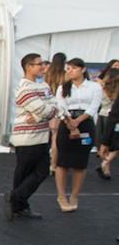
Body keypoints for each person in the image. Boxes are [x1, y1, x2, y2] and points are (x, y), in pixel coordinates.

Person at [6, 54, 57, 219]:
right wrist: (44, 112)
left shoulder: (44, 86)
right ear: (28, 67)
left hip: (41, 135)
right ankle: (18, 203)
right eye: (39, 64)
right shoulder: (24, 89)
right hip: (27, 137)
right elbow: (46, 110)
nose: (43, 67)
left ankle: (16, 200)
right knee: (25, 172)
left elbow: (56, 107)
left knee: (40, 171)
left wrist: (37, 116)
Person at [53, 58, 102, 211]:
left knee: (80, 162)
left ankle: (74, 195)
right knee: (63, 162)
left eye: (73, 68)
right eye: (68, 68)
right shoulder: (63, 87)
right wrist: (70, 123)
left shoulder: (94, 87)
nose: (70, 71)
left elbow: (94, 106)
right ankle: (61, 196)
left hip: (86, 122)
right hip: (66, 121)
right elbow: (60, 105)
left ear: (83, 69)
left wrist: (78, 121)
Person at [95, 64, 119, 179]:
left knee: (106, 141)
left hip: (103, 115)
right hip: (114, 118)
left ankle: (105, 166)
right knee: (115, 143)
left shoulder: (102, 88)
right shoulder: (116, 90)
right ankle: (105, 163)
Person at [46, 52, 67, 169]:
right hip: (60, 107)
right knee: (56, 138)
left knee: (49, 136)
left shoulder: (47, 74)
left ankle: (48, 161)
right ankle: (53, 164)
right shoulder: (65, 75)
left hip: (49, 106)